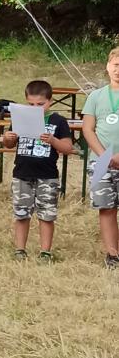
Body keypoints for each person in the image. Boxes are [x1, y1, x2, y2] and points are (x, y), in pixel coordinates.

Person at [2, 80, 74, 263]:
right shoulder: (20, 118)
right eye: (31, 104)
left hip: (47, 176)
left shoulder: (58, 121)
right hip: (22, 174)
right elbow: (9, 144)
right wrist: (8, 138)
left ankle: (45, 252)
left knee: (47, 215)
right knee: (21, 213)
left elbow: (68, 148)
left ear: (50, 101)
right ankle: (20, 250)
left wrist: (53, 141)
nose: (35, 108)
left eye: (40, 104)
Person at [81, 48, 119, 269]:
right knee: (106, 208)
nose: (118, 70)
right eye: (116, 65)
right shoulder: (95, 96)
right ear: (108, 66)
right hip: (101, 160)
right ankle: (113, 254)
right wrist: (105, 155)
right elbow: (88, 129)